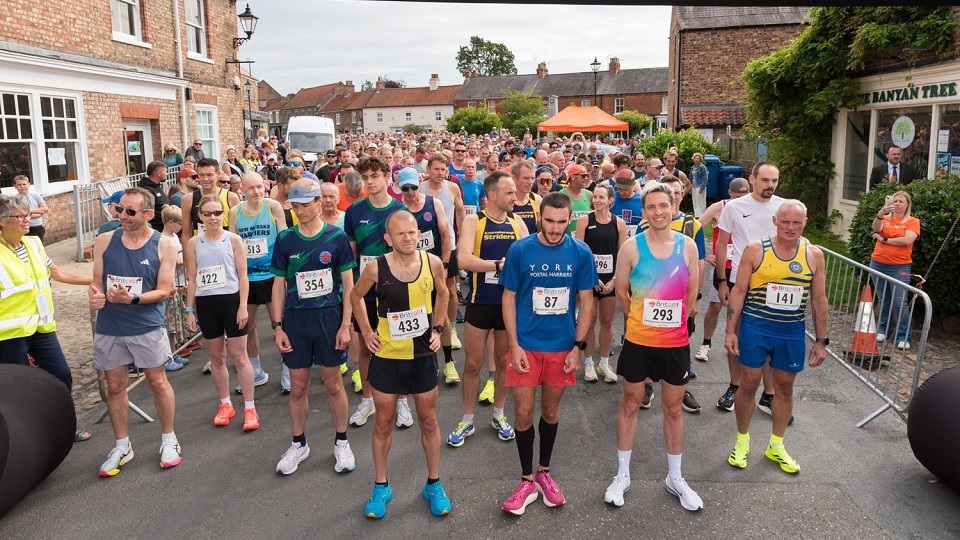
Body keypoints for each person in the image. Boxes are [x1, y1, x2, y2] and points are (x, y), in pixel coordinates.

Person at [603, 183, 703, 511]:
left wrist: (674, 320)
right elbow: (621, 290)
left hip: (675, 342)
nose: (658, 212)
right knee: (631, 403)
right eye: (651, 207)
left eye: (663, 205)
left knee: (673, 409)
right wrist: (638, 318)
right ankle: (622, 475)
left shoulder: (688, 246)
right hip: (638, 340)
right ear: (644, 211)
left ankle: (675, 478)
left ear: (674, 207)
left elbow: (691, 293)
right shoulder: (632, 247)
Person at [499, 192, 597, 516]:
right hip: (526, 345)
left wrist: (578, 347)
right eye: (549, 221)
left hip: (561, 347)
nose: (555, 229)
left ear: (570, 220)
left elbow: (587, 301)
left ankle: (544, 472)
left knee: (551, 412)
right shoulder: (520, 249)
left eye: (561, 222)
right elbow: (508, 297)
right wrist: (513, 344)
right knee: (523, 413)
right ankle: (526, 480)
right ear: (539, 217)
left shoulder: (580, 252)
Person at [350, 210, 451, 519]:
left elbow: (444, 293)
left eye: (412, 232)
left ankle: (433, 484)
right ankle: (381, 486)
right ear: (388, 238)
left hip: (421, 356)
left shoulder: (433, 262)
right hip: (388, 357)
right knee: (383, 423)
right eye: (400, 234)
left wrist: (437, 330)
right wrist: (367, 332)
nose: (408, 238)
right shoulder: (376, 268)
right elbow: (355, 296)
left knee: (429, 421)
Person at [724, 200, 828, 475]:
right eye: (785, 222)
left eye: (797, 222)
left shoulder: (813, 254)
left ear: (805, 223)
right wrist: (730, 330)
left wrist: (821, 341)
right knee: (748, 383)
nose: (790, 227)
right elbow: (739, 291)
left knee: (785, 387)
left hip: (790, 331)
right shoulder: (755, 250)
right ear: (775, 221)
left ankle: (776, 445)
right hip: (756, 327)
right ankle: (742, 441)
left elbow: (819, 300)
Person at [89, 187, 182, 476]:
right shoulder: (105, 240)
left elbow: (164, 291)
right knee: (115, 387)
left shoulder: (163, 244)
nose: (122, 216)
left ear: (148, 214)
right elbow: (96, 281)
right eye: (120, 209)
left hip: (146, 325)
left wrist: (133, 298)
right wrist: (96, 295)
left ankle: (169, 439)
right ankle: (122, 446)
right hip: (110, 326)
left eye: (130, 211)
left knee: (157, 382)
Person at [269, 179, 357, 476]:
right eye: (295, 206)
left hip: (329, 319)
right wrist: (277, 326)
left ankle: (342, 442)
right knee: (298, 387)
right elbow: (278, 285)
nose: (300, 211)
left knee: (333, 383)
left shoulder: (337, 237)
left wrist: (346, 324)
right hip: (296, 321)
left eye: (306, 205)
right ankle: (298, 444)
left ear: (319, 202)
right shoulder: (285, 239)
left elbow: (348, 283)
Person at [0, 194, 93, 442]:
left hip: (41, 327)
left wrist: (96, 280)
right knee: (18, 388)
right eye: (19, 216)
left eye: (27, 215)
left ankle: (64, 426)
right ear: (2, 221)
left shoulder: (34, 244)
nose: (26, 220)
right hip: (9, 335)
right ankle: (26, 438)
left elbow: (58, 273)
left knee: (61, 374)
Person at [447, 170, 525, 448]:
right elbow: (463, 259)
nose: (515, 197)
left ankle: (499, 415)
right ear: (492, 195)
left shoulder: (517, 222)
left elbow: (527, 258)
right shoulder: (474, 220)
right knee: (472, 364)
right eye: (509, 192)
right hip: (480, 302)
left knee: (503, 362)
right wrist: (497, 266)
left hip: (508, 306)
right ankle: (467, 419)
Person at [714, 162, 787, 417]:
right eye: (765, 180)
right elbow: (722, 244)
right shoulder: (734, 207)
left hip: (773, 284)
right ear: (752, 179)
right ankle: (734, 386)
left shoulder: (784, 207)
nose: (770, 185)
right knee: (733, 334)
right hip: (740, 281)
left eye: (774, 180)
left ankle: (768, 394)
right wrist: (722, 281)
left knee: (770, 339)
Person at [183, 194, 259, 431]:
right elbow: (192, 278)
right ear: (200, 216)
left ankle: (250, 408)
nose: (213, 218)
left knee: (240, 357)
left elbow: (243, 275)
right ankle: (225, 404)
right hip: (207, 304)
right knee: (217, 358)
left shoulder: (233, 239)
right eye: (207, 213)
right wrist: (189, 310)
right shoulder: (193, 243)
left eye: (217, 213)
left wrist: (243, 306)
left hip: (231, 301)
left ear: (223, 214)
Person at [344, 156, 406, 427]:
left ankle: (402, 401)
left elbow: (409, 252)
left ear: (386, 176)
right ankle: (367, 400)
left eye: (375, 176)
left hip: (396, 288)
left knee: (399, 345)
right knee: (366, 346)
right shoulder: (354, 212)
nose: (369, 182)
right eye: (365, 178)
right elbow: (352, 255)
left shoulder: (400, 210)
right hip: (366, 290)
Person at [228, 172, 288, 393]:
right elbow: (232, 243)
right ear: (242, 190)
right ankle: (256, 371)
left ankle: (287, 369)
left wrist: (285, 272)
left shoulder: (273, 207)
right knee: (248, 326)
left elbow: (283, 239)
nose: (256, 192)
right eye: (251, 188)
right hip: (247, 278)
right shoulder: (235, 212)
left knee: (280, 323)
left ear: (265, 187)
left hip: (271, 276)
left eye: (259, 187)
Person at [397, 167, 456, 390]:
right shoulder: (398, 209)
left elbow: (445, 235)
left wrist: (445, 263)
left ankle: (449, 362)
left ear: (419, 184)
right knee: (412, 315)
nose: (410, 192)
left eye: (413, 187)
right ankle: (414, 362)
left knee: (441, 316)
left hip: (434, 267)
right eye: (405, 188)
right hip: (409, 270)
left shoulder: (434, 203)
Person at [693, 178, 751, 365]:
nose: (741, 199)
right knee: (716, 305)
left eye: (745, 195)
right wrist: (704, 254)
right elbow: (695, 228)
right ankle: (706, 343)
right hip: (722, 266)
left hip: (745, 266)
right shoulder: (720, 207)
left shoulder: (753, 207)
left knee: (742, 308)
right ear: (730, 193)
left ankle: (737, 343)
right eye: (738, 195)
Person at [574, 184, 627, 383]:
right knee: (589, 321)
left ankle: (604, 363)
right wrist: (592, 277)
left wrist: (614, 280)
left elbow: (623, 255)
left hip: (610, 281)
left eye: (601, 197)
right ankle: (588, 362)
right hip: (589, 279)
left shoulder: (619, 223)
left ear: (610, 200)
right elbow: (580, 253)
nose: (597, 200)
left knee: (607, 321)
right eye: (595, 197)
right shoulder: (584, 221)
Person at [420, 153, 466, 356]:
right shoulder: (419, 188)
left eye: (443, 169)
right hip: (425, 248)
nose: (440, 173)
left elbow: (460, 212)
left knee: (450, 289)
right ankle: (428, 328)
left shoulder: (452, 188)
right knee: (425, 288)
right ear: (428, 169)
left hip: (450, 245)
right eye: (436, 169)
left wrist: (462, 236)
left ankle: (452, 328)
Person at [869, 191, 920, 349]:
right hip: (878, 262)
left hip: (900, 266)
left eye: (901, 201)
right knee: (883, 299)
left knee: (899, 303)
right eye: (895, 200)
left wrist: (884, 239)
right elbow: (875, 228)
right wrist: (880, 213)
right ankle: (884, 329)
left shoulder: (912, 221)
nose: (897, 203)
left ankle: (904, 336)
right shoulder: (885, 218)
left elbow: (907, 240)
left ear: (907, 205)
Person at [181, 158, 241, 245]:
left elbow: (238, 230)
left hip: (225, 248)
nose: (205, 179)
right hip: (200, 248)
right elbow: (186, 234)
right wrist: (188, 254)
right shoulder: (188, 199)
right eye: (201, 175)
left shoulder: (231, 198)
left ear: (218, 174)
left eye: (209, 175)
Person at [159, 205, 189, 371]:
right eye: (180, 223)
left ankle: (174, 351)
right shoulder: (162, 240)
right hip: (170, 284)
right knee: (169, 324)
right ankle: (167, 356)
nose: (182, 226)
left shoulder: (174, 237)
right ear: (171, 222)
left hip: (178, 283)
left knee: (175, 323)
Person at [13, 175, 49, 241]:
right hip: (23, 228)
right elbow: (19, 215)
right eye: (19, 185)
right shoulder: (14, 199)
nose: (22, 186)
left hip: (38, 227)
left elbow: (45, 208)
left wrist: (28, 211)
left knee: (39, 246)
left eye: (24, 184)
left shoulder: (36, 196)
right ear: (15, 186)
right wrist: (39, 213)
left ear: (29, 184)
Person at [688, 153, 709, 218]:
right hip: (693, 186)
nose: (696, 159)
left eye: (698, 158)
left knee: (701, 201)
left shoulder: (703, 167)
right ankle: (697, 215)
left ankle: (702, 215)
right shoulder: (693, 168)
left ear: (700, 159)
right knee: (695, 201)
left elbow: (705, 177)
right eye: (695, 158)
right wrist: (690, 186)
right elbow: (690, 178)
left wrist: (702, 187)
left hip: (700, 186)